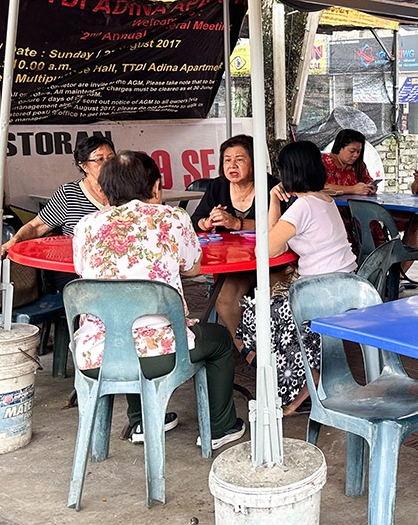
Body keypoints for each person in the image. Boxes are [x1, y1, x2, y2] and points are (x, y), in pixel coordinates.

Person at [72, 151, 245, 450]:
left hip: (93, 356)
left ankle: (141, 420)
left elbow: (83, 272)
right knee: (218, 339)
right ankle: (220, 427)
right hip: (160, 354)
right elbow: (192, 268)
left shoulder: (85, 225)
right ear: (154, 188)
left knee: (120, 325)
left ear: (106, 189)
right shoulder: (172, 218)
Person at [236, 140, 358, 415]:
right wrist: (276, 202)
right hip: (343, 287)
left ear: (288, 172)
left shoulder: (302, 207)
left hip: (322, 293)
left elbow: (265, 249)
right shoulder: (322, 199)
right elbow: (276, 244)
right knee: (270, 311)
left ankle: (299, 382)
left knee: (257, 314)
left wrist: (272, 201)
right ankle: (304, 375)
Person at [190, 135, 279, 366]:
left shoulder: (271, 186)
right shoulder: (217, 186)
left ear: (255, 162)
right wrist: (207, 223)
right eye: (227, 160)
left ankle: (278, 353)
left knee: (274, 300)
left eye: (240, 159)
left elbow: (280, 226)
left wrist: (238, 224)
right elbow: (196, 220)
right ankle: (247, 350)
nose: (232, 165)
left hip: (271, 262)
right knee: (224, 297)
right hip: (235, 264)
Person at [2, 136, 116, 290]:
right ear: (83, 166)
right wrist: (13, 241)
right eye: (99, 159)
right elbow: (37, 226)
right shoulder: (69, 193)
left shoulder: (125, 191)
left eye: (111, 158)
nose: (107, 164)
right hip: (75, 268)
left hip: (116, 265)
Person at [321, 128, 377, 196]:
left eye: (358, 151)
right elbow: (324, 187)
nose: (356, 155)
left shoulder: (359, 166)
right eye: (352, 151)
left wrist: (371, 188)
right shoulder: (325, 161)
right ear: (340, 148)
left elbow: (368, 181)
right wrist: (353, 189)